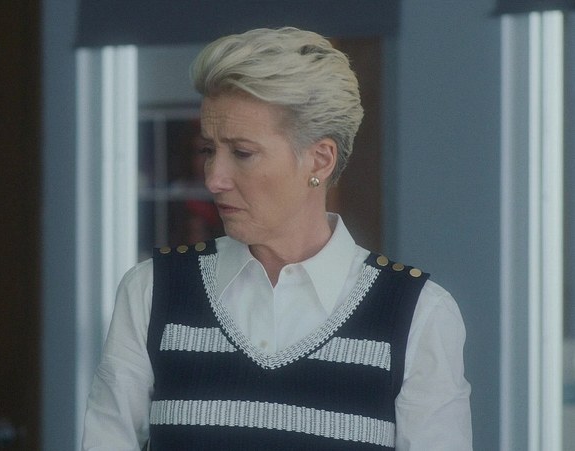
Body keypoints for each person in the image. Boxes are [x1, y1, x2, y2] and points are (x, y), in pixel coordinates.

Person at [82, 27, 472, 450]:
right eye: (209, 150)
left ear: (320, 159)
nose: (214, 179)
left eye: (242, 153)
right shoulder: (152, 291)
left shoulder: (419, 315)